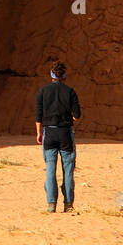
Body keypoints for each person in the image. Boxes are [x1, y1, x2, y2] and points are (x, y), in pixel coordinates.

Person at [35, 61, 81, 213]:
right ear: (64, 75)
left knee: (50, 168)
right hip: (65, 133)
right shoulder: (70, 91)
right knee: (68, 170)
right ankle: (68, 204)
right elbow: (77, 116)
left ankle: (51, 204)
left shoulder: (43, 91)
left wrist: (39, 132)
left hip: (49, 132)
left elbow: (38, 116)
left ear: (52, 74)